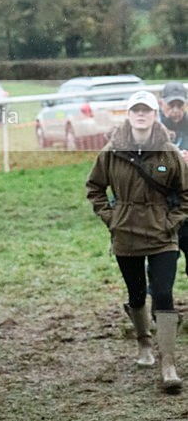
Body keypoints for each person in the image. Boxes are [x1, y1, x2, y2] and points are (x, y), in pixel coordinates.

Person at [86, 90, 188, 392]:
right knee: (136, 293)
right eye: (136, 110)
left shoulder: (169, 151)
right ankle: (144, 342)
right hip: (126, 235)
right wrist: (111, 218)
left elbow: (185, 194)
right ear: (128, 115)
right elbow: (94, 188)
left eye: (147, 110)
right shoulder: (110, 151)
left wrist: (172, 221)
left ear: (155, 115)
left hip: (162, 236)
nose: (141, 115)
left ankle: (168, 362)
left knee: (164, 293)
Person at [159, 80, 188, 276]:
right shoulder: (154, 128)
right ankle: (159, 300)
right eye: (171, 105)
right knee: (162, 265)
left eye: (180, 105)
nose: (176, 110)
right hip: (163, 206)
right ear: (162, 104)